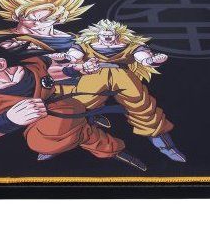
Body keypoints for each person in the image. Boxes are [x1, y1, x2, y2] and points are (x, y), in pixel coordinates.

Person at [0, 35, 147, 170]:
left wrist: (77, 69)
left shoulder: (28, 66)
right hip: (37, 133)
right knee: (46, 142)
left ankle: (87, 126)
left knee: (74, 107)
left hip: (62, 106)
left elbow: (49, 72)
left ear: (0, 64)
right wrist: (7, 120)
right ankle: (102, 142)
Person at [58, 19, 185, 162]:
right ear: (97, 35)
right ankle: (59, 141)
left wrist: (151, 61)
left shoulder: (131, 46)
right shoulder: (85, 45)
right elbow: (73, 56)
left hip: (123, 76)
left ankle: (164, 144)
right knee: (79, 105)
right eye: (104, 34)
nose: (107, 37)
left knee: (141, 106)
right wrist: (66, 57)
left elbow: (142, 58)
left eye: (110, 34)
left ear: (117, 35)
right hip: (94, 75)